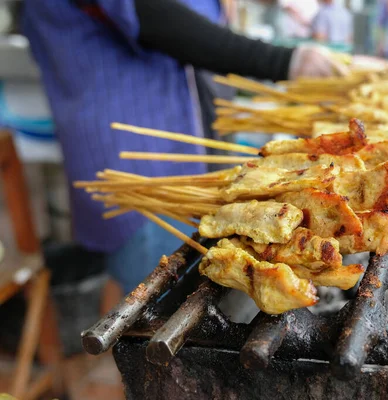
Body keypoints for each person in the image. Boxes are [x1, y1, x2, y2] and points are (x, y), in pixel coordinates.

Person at [22, 0, 348, 306]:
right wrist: (286, 61)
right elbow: (152, 15)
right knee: (155, 310)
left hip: (193, 146)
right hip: (138, 159)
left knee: (188, 295)